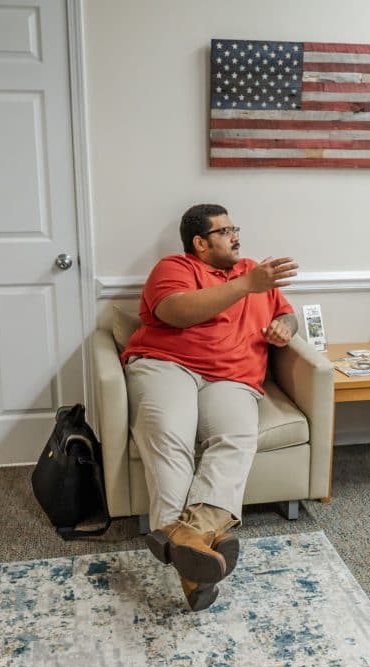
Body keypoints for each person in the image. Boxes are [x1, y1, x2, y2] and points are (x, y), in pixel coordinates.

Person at [121, 203, 298, 610]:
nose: (236, 235)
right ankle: (194, 556)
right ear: (200, 243)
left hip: (233, 376)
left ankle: (188, 537)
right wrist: (245, 285)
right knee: (169, 435)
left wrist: (285, 327)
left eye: (236, 227)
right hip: (168, 366)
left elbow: (287, 315)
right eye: (226, 230)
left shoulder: (257, 272)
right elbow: (176, 313)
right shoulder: (173, 267)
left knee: (236, 439)